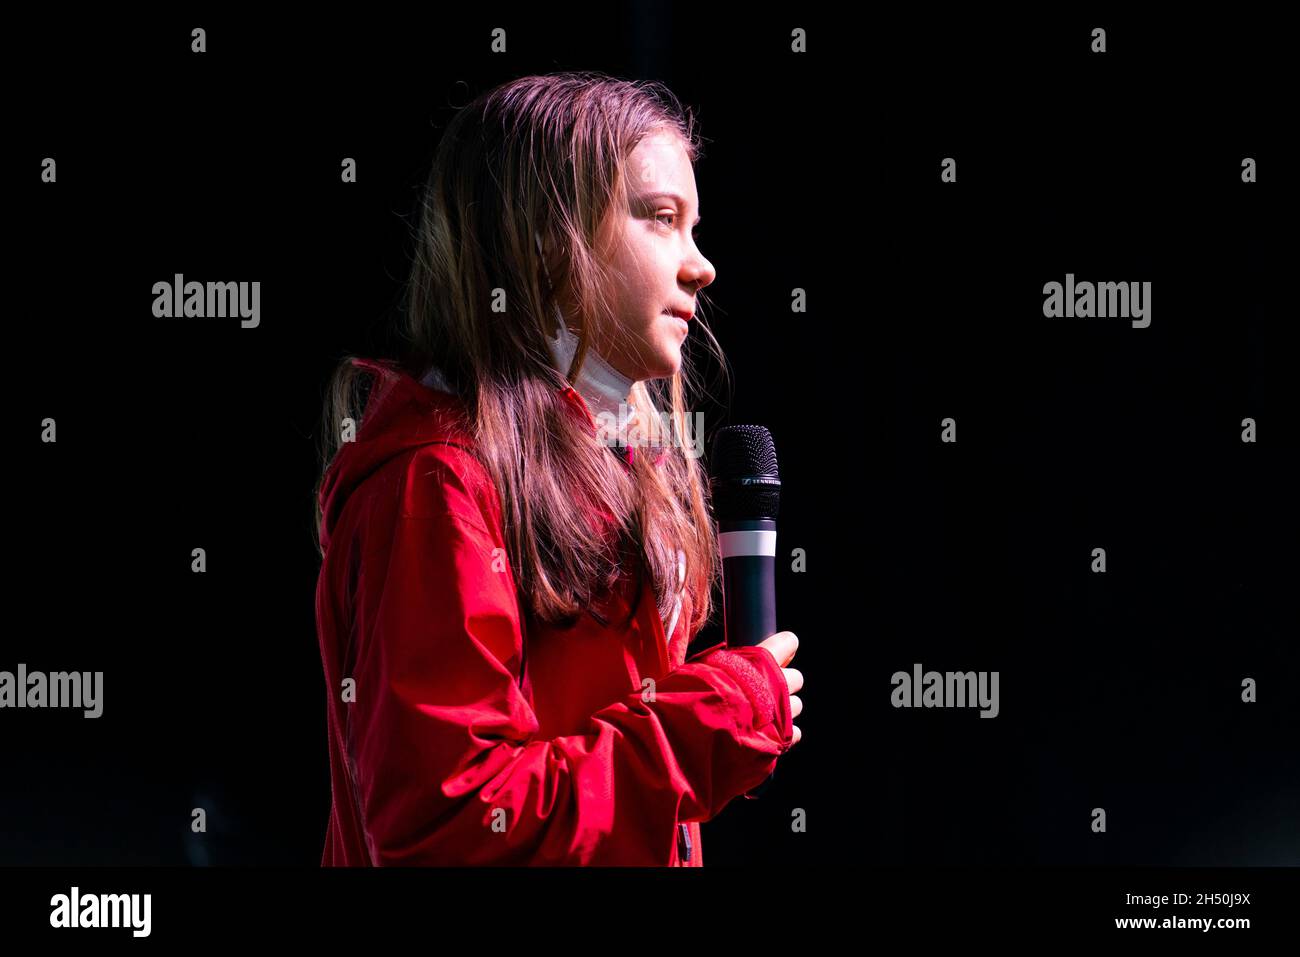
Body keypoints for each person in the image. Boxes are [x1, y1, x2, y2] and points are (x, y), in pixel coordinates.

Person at [313, 72, 803, 866]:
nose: (702, 266)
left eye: (695, 227)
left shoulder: (622, 465)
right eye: (660, 220)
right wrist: (703, 724)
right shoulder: (434, 484)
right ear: (544, 237)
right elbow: (454, 827)